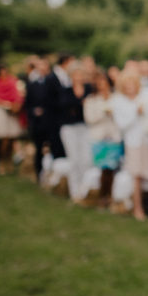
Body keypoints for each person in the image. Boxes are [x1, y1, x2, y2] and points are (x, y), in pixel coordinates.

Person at [112, 70, 148, 220]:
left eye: (132, 84)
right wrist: (135, 112)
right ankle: (138, 208)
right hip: (133, 142)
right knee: (136, 175)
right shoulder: (118, 101)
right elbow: (121, 124)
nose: (130, 87)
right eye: (127, 85)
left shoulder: (147, 96)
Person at [84, 71, 122, 208]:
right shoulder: (91, 99)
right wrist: (103, 113)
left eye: (104, 83)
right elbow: (89, 118)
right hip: (99, 138)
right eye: (99, 84)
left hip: (113, 138)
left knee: (111, 169)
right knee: (103, 168)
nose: (102, 86)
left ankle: (109, 196)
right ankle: (101, 196)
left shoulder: (117, 98)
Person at [60, 66, 93, 201]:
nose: (79, 78)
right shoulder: (66, 90)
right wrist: (80, 103)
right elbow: (64, 106)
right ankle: (74, 191)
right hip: (69, 127)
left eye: (81, 74)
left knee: (86, 159)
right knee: (74, 159)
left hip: (84, 127)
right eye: (76, 75)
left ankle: (84, 190)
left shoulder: (89, 89)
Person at [0, 64, 24, 175]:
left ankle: (9, 161)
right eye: (1, 72)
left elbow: (18, 95)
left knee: (11, 138)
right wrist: (5, 104)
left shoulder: (13, 82)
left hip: (12, 111)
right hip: (1, 111)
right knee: (4, 139)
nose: (3, 74)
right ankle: (1, 162)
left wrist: (15, 105)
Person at [24, 57, 51, 178]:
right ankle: (38, 172)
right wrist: (34, 112)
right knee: (39, 148)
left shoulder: (53, 83)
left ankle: (50, 173)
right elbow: (27, 104)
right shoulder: (32, 85)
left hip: (51, 121)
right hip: (38, 122)